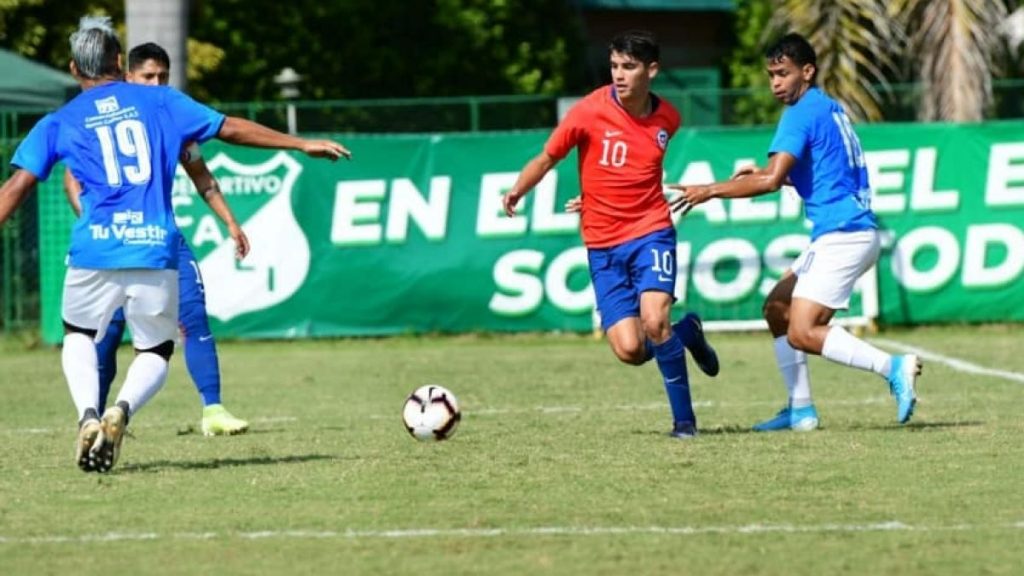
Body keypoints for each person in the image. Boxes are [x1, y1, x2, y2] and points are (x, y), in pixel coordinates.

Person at [0, 16, 350, 473]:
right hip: (154, 249)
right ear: (120, 63)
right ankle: (120, 410)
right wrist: (300, 143)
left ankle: (88, 414)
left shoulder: (58, 121)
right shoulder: (161, 101)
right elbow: (230, 127)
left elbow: (15, 188)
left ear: (73, 68)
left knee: (79, 335)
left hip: (94, 251)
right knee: (155, 351)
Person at [669, 33, 921, 431]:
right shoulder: (828, 108)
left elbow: (770, 181)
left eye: (783, 74)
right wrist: (773, 174)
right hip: (847, 232)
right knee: (776, 309)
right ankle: (800, 410)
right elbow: (820, 173)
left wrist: (710, 190)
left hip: (843, 234)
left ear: (808, 71)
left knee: (803, 332)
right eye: (771, 75)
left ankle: (892, 366)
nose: (775, 83)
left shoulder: (801, 113)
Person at [502, 30, 719, 439]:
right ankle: (688, 332)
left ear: (651, 70)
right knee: (631, 350)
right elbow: (548, 158)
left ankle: (685, 424)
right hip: (602, 244)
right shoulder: (587, 112)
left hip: (651, 231)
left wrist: (607, 192)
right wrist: (518, 189)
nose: (619, 75)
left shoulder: (668, 118)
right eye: (615, 66)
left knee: (655, 321)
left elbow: (638, 168)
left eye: (629, 67)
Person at [64, 42, 250, 437]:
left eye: (163, 77)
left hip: (162, 242)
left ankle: (213, 409)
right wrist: (103, 224)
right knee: (107, 333)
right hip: (111, 246)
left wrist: (231, 223)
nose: (156, 82)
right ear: (127, 75)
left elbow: (202, 175)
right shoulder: (101, 117)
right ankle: (95, 417)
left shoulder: (171, 119)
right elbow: (71, 180)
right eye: (148, 76)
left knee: (194, 315)